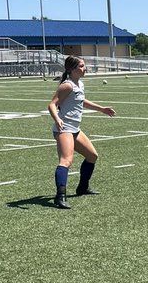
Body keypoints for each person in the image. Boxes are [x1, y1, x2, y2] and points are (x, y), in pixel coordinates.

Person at [47, 56, 116, 209]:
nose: (85, 68)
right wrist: (57, 119)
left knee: (92, 156)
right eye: (82, 66)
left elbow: (81, 101)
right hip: (64, 129)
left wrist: (101, 109)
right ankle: (60, 197)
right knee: (66, 161)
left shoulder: (79, 84)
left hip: (75, 129)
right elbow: (52, 104)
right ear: (72, 69)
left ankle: (82, 188)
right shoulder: (67, 86)